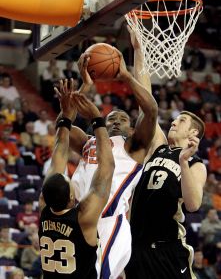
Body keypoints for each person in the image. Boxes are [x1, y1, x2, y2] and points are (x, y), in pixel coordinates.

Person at [125, 26, 207, 279]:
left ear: (193, 135)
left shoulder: (195, 165)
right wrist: (139, 52)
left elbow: (193, 204)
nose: (174, 121)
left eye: (181, 121)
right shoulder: (158, 146)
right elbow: (146, 100)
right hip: (136, 247)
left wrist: (182, 161)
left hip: (167, 250)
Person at [70, 50, 158, 278]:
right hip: (78, 220)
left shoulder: (132, 147)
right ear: (102, 124)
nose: (117, 121)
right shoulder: (88, 142)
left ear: (131, 129)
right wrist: (85, 86)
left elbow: (151, 111)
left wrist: (127, 77)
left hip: (109, 225)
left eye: (123, 119)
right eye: (112, 118)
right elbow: (63, 126)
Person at [38, 78, 115, 278]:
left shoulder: (44, 208)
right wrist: (97, 118)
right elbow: (107, 167)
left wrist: (66, 118)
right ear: (72, 198)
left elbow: (59, 153)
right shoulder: (83, 219)